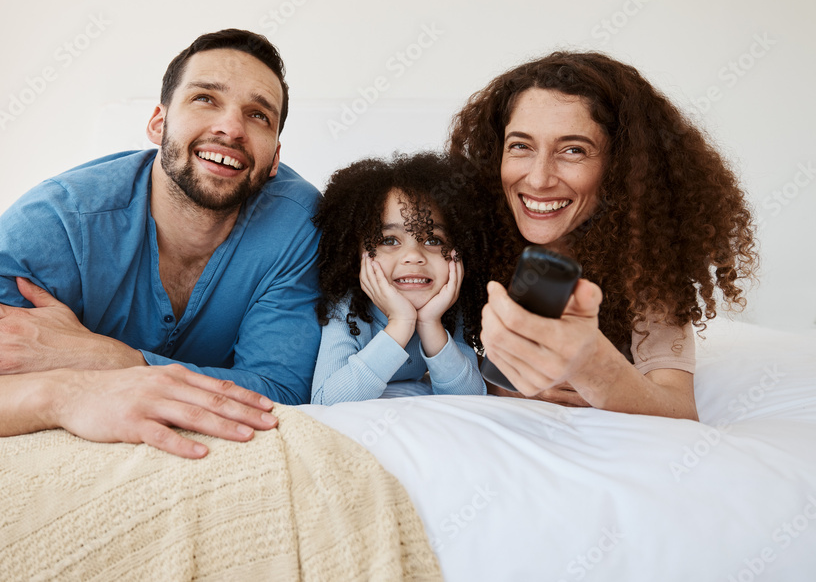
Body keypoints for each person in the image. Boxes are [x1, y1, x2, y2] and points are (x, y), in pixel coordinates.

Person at [0, 29, 323, 457]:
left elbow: (279, 390)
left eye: (258, 115)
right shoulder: (60, 220)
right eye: (204, 99)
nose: (232, 128)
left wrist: (108, 359)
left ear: (275, 156)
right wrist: (65, 393)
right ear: (158, 124)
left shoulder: (296, 223)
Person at [448, 51, 757, 420]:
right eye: (521, 146)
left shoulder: (642, 263)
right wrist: (512, 383)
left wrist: (593, 366)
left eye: (573, 150)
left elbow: (679, 409)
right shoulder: (459, 240)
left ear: (619, 168)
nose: (539, 178)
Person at [310, 153, 489, 405]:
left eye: (433, 240)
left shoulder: (447, 309)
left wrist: (430, 324)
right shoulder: (348, 310)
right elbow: (325, 403)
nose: (413, 256)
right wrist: (401, 322)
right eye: (389, 241)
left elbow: (472, 399)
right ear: (355, 252)